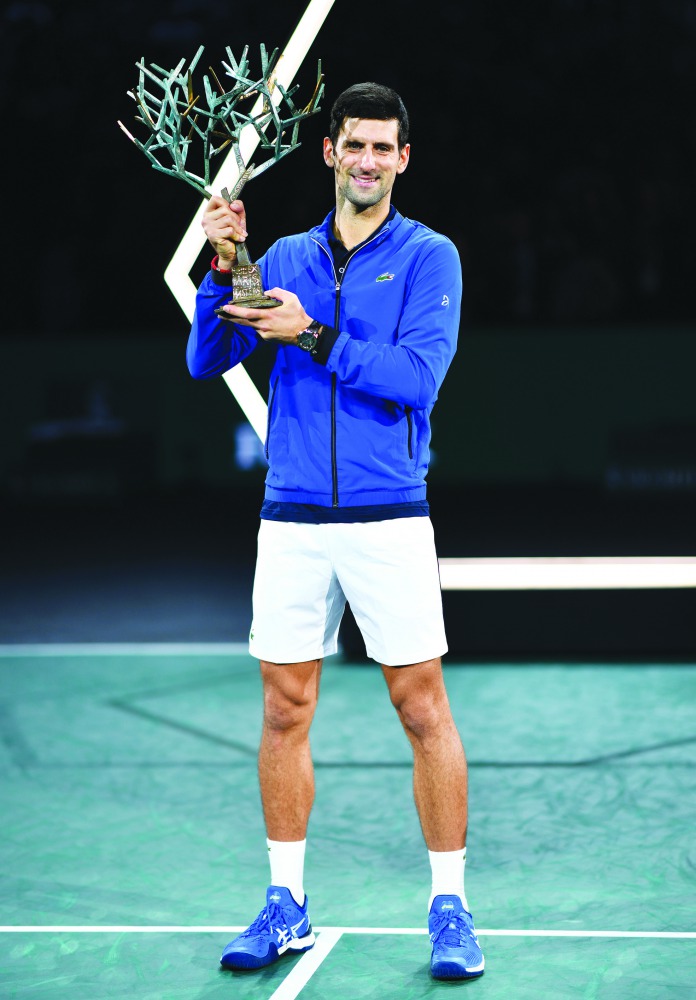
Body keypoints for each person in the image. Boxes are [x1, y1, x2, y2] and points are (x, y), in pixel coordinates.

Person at [186, 82, 485, 982]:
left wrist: (310, 334)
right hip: (292, 514)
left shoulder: (432, 258)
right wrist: (221, 262)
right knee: (284, 709)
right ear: (328, 152)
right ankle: (287, 905)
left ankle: (451, 908)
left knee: (421, 707)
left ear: (402, 159)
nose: (365, 160)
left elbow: (416, 379)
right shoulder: (281, 254)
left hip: (390, 511)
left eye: (382, 148)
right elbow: (210, 358)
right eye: (352, 144)